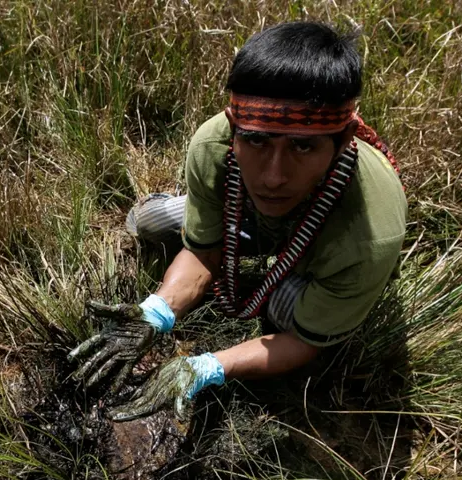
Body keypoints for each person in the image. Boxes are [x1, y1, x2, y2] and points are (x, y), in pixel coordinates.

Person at [69, 21, 407, 424]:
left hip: (325, 244)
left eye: (303, 146)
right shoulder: (212, 145)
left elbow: (302, 343)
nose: (273, 177)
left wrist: (206, 367)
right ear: (234, 128)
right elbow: (203, 251)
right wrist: (153, 313)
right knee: (150, 222)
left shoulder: (370, 235)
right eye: (257, 141)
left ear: (344, 140)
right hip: (241, 210)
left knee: (284, 309)